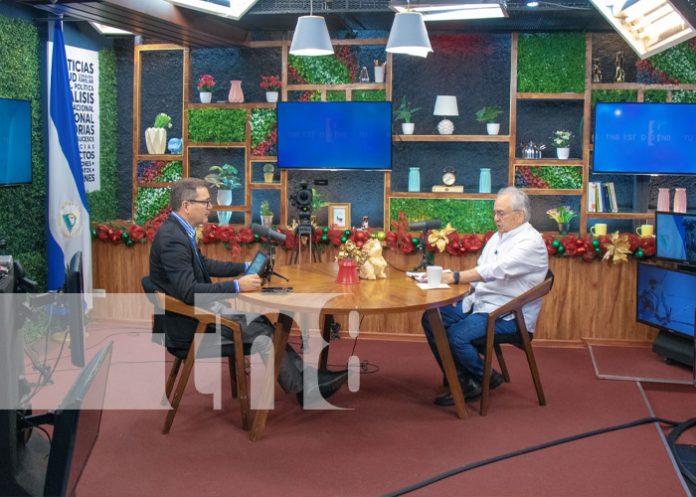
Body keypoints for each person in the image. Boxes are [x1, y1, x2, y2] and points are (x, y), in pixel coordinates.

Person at [149, 178, 347, 406]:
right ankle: (305, 386)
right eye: (205, 202)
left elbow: (205, 265)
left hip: (198, 313)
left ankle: (305, 382)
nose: (210, 207)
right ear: (186, 206)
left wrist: (243, 267)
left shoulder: (179, 231)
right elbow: (189, 292)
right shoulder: (172, 239)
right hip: (189, 326)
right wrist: (236, 286)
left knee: (262, 322)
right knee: (264, 330)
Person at [421, 187, 549, 406]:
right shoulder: (499, 237)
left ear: (519, 215)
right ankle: (462, 378)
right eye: (495, 213)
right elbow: (482, 268)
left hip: (508, 314)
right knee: (432, 318)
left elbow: (495, 270)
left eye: (501, 213)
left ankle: (485, 377)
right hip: (482, 302)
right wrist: (452, 282)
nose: (496, 218)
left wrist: (457, 277)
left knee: (456, 337)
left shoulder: (530, 243)